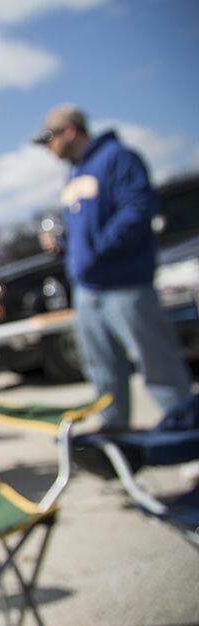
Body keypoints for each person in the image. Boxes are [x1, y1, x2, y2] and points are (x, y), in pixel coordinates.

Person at [33, 104, 192, 430]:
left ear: (70, 132)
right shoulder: (74, 174)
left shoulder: (118, 158)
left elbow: (136, 211)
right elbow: (84, 228)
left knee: (157, 365)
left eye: (49, 139)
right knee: (102, 371)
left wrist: (96, 251)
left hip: (126, 286)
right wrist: (63, 242)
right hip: (88, 292)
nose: (47, 147)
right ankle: (117, 443)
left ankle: (187, 435)